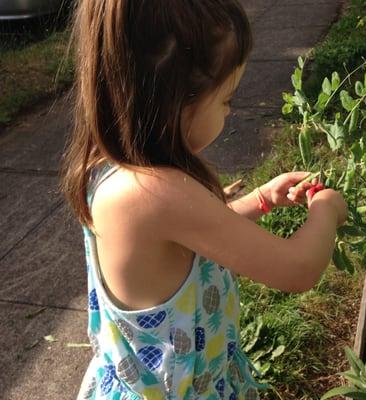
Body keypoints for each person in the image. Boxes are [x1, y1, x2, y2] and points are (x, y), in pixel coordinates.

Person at [60, 1, 348, 399]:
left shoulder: (113, 167)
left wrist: (262, 199)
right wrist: (327, 209)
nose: (230, 112)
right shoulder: (153, 194)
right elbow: (297, 268)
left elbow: (195, 239)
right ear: (174, 99)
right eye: (226, 99)